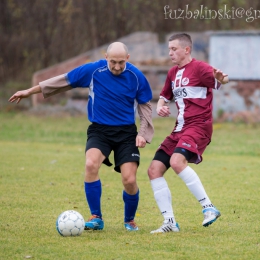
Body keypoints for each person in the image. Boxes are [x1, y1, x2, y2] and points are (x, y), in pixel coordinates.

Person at [9, 42, 154, 231]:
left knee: (129, 180)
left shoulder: (136, 77)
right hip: (99, 130)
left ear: (127, 58)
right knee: (90, 164)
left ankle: (129, 220)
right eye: (112, 62)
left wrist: (142, 134)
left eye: (120, 62)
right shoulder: (94, 70)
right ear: (106, 58)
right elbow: (63, 81)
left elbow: (145, 107)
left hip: (126, 133)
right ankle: (96, 218)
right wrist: (30, 91)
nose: (117, 67)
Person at [147, 33, 229, 234]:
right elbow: (163, 97)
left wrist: (222, 78)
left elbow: (222, 79)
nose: (170, 53)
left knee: (176, 162)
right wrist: (160, 107)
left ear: (186, 49)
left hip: (198, 126)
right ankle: (170, 222)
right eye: (169, 49)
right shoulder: (172, 73)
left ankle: (208, 208)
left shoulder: (200, 68)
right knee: (154, 170)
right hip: (179, 128)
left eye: (174, 49)